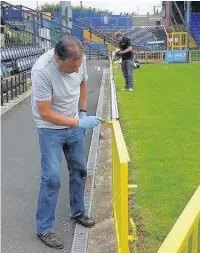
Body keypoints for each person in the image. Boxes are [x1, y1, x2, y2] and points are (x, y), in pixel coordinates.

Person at [31, 36, 102, 249]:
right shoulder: (42, 71)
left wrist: (82, 112)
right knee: (51, 178)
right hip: (50, 129)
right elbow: (45, 113)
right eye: (72, 67)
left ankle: (78, 211)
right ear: (59, 60)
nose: (76, 70)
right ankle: (44, 228)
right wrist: (78, 123)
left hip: (73, 123)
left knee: (79, 170)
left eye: (79, 65)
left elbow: (82, 83)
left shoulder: (77, 61)